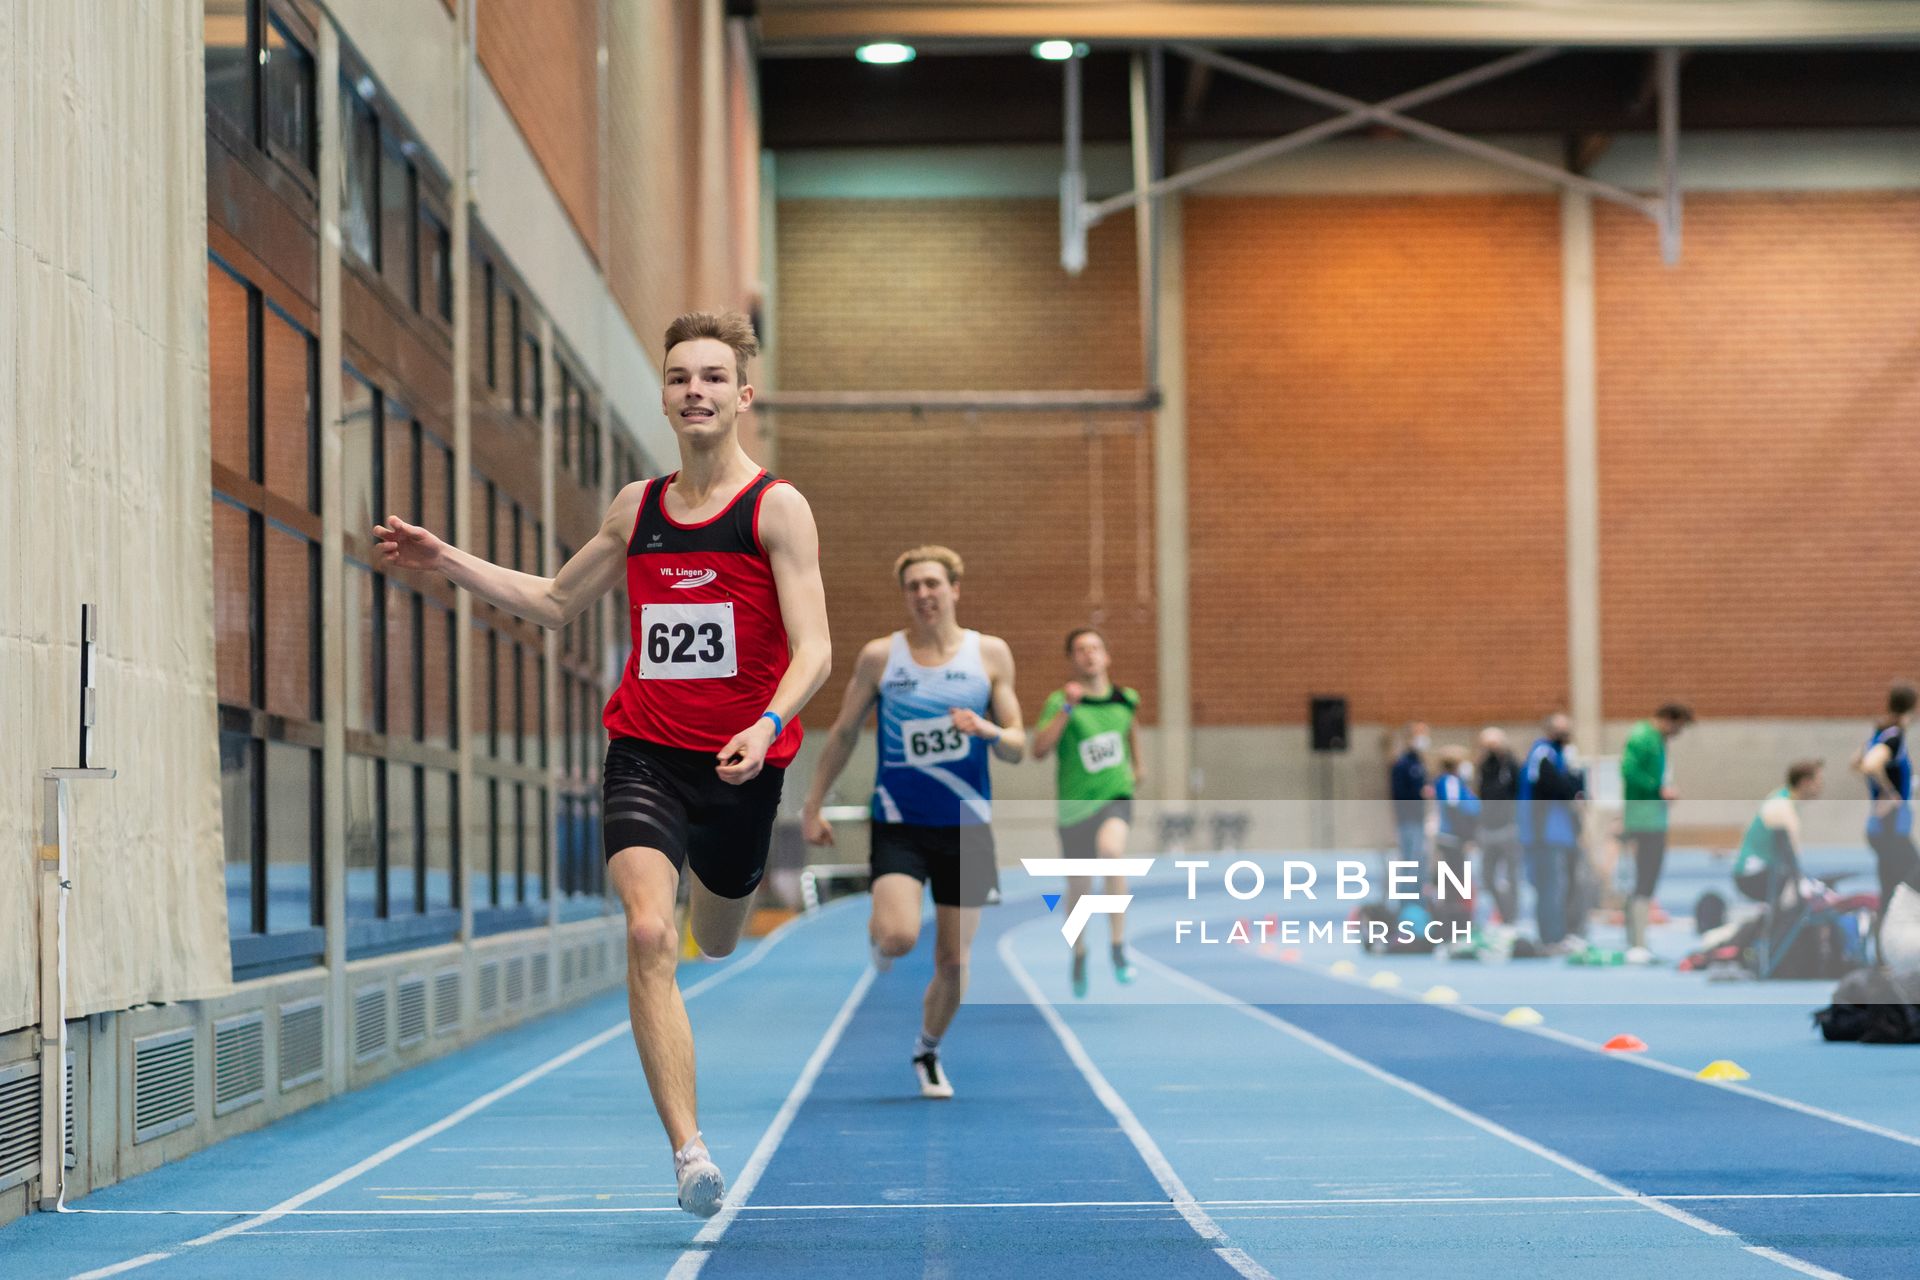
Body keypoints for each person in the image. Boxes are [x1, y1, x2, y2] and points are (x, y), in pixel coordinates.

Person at [374, 311, 831, 1219]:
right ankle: (690, 1153)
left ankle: (719, 891)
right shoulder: (638, 508)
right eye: (677, 378)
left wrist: (769, 719)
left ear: (742, 395)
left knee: (720, 932)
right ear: (663, 396)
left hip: (744, 764)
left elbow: (814, 648)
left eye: (710, 376)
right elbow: (551, 601)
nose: (693, 391)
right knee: (649, 935)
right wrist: (445, 558)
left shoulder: (774, 508)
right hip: (646, 754)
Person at [801, 546, 1025, 1099]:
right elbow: (847, 731)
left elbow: (1018, 745)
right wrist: (813, 803)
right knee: (901, 936)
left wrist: (987, 730)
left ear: (955, 589)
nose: (923, 595)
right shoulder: (882, 658)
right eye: (913, 587)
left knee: (953, 961)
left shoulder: (989, 655)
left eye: (932, 584)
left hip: (967, 828)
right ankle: (881, 935)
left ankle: (927, 1049)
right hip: (901, 822)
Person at [1032, 627, 1145, 997]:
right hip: (1075, 808)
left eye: (1095, 647)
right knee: (1079, 888)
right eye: (1080, 650)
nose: (1089, 654)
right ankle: (1079, 951)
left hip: (1115, 796)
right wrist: (1067, 708)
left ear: (1107, 656)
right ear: (1072, 660)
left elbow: (1131, 729)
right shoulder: (1060, 701)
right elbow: (1039, 749)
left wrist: (1137, 766)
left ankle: (1117, 946)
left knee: (1112, 853)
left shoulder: (1126, 698)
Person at [1620, 703, 1695, 962]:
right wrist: (1657, 789)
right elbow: (1628, 770)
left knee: (1648, 878)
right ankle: (1636, 943)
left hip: (1654, 818)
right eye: (1678, 727)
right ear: (1667, 720)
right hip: (1643, 819)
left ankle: (1639, 941)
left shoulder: (1656, 740)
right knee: (1644, 877)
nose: (1677, 733)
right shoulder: (1642, 737)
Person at [1854, 682, 1920, 962]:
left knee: (1890, 891)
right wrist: (1889, 792)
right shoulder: (1893, 736)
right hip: (1891, 830)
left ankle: (1883, 961)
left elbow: (1855, 761)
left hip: (1883, 830)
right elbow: (1869, 764)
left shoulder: (1880, 731)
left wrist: (1898, 787)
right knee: (1912, 883)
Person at [1518, 713, 1587, 949]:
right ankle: (1551, 937)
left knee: (1561, 886)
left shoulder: (1559, 755)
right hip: (1545, 833)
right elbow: (1550, 788)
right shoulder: (1543, 753)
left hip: (1560, 832)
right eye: (1561, 729)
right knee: (1549, 886)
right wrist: (1572, 779)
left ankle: (1560, 932)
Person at [1733, 761, 1823, 909]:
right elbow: (1793, 856)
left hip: (1762, 872)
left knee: (1803, 890)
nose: (1821, 787)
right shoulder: (1783, 807)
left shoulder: (1783, 797)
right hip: (1753, 876)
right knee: (1806, 895)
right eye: (1818, 782)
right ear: (1805, 782)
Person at [1475, 728, 1523, 926]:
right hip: (1488, 829)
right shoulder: (1483, 766)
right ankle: (1502, 910)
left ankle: (1511, 916)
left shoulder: (1511, 765)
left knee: (1512, 876)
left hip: (1508, 827)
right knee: (1487, 877)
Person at [1431, 745, 1480, 928]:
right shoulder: (1449, 781)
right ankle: (1451, 923)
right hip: (1452, 838)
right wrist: (1466, 838)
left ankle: (1457, 920)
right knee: (1453, 882)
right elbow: (1454, 809)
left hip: (1456, 837)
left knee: (1458, 880)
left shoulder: (1458, 782)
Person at [1390, 722, 1431, 872]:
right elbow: (1399, 793)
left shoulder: (1419, 762)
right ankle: (1407, 892)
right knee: (1410, 857)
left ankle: (1415, 890)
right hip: (1407, 817)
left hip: (1419, 816)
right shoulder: (1402, 763)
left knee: (1418, 856)